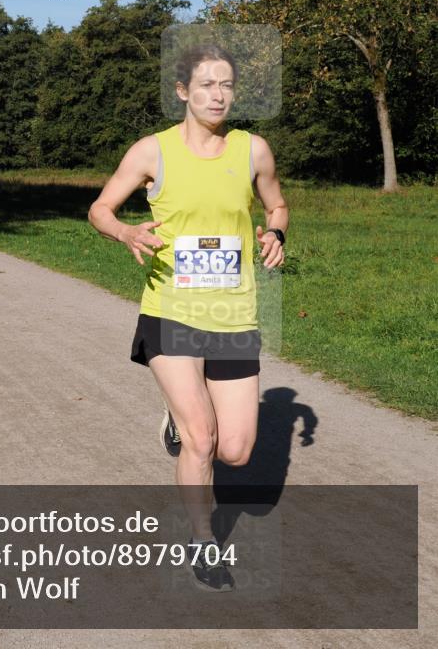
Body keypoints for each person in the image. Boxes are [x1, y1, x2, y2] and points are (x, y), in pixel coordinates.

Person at [88, 43, 288, 592]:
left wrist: (276, 233)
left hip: (232, 313)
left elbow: (277, 205)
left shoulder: (252, 151)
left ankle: (177, 421)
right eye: (206, 85)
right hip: (171, 309)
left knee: (237, 451)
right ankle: (203, 543)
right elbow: (99, 209)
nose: (218, 95)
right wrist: (126, 231)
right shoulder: (152, 152)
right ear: (182, 91)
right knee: (203, 439)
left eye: (226, 85)